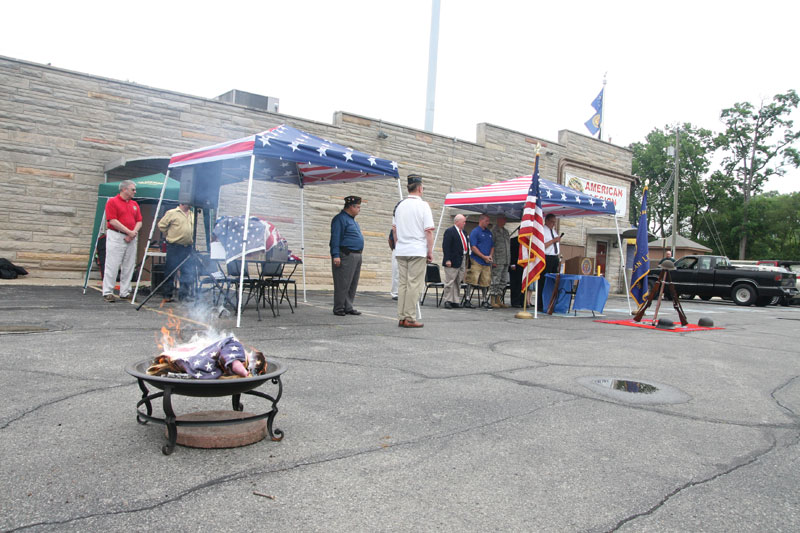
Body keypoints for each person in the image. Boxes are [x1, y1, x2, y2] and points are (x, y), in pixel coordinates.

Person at [393, 175, 434, 328]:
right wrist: (430, 251)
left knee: (402, 284)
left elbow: (394, 229)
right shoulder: (423, 206)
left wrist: (399, 245)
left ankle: (402, 316)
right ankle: (410, 317)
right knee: (414, 284)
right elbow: (428, 231)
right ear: (420, 188)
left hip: (402, 248)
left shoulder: (400, 205)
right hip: (416, 249)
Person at [103, 180, 142, 303]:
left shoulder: (134, 204)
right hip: (116, 235)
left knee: (129, 265)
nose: (135, 192)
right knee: (113, 264)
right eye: (132, 189)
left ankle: (125, 291)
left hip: (131, 236)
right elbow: (112, 220)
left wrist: (133, 232)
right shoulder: (112, 202)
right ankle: (108, 291)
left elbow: (139, 221)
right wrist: (128, 232)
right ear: (124, 189)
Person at [330, 195, 364, 316]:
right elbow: (335, 238)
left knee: (352, 283)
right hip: (345, 255)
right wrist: (335, 255)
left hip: (356, 255)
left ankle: (348, 306)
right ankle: (339, 307)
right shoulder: (340, 219)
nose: (359, 209)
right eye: (358, 207)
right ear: (351, 207)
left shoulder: (352, 220)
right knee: (342, 283)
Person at [157, 203, 195, 302]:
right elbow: (162, 226)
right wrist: (170, 235)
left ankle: (184, 295)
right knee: (170, 271)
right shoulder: (172, 213)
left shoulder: (192, 214)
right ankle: (167, 295)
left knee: (186, 271)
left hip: (187, 247)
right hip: (175, 246)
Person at [465, 213, 494, 309]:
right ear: (481, 220)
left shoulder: (489, 233)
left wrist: (489, 256)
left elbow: (492, 246)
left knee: (485, 281)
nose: (488, 223)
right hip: (476, 260)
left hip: (486, 262)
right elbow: (473, 247)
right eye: (486, 221)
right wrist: (483, 256)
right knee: (472, 279)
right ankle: (467, 299)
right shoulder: (475, 232)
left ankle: (484, 300)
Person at [441, 214, 469, 309]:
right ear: (457, 221)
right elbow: (446, 246)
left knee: (458, 281)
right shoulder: (450, 231)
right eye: (463, 222)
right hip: (452, 260)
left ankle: (455, 300)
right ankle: (448, 300)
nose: (464, 223)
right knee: (450, 281)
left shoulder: (464, 233)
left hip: (462, 258)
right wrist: (447, 259)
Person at [538, 213, 562, 309]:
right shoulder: (543, 231)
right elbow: (541, 246)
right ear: (546, 221)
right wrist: (553, 241)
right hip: (546, 257)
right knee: (543, 281)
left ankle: (550, 302)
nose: (553, 224)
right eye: (552, 222)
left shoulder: (553, 231)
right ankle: (540, 303)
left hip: (554, 257)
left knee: (553, 281)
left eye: (554, 222)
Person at [489, 214, 511, 308]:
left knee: (503, 280)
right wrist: (493, 259)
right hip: (497, 259)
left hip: (505, 259)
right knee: (495, 279)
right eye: (503, 219)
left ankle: (499, 298)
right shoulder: (493, 231)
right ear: (498, 220)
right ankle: (492, 299)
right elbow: (491, 246)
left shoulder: (505, 232)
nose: (504, 221)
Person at [508, 234, 523, 307]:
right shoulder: (514, 240)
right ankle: (515, 301)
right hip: (515, 264)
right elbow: (511, 253)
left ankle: (522, 301)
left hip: (524, 264)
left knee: (522, 283)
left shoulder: (528, 241)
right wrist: (512, 263)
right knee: (515, 283)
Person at [388, 225, 398, 300]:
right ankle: (395, 293)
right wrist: (393, 250)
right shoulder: (396, 227)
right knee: (396, 272)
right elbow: (390, 240)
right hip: (397, 250)